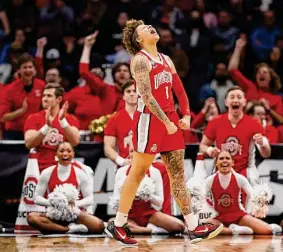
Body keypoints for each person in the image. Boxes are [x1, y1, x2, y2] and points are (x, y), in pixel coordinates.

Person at [105, 19, 223, 245]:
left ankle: (193, 227)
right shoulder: (140, 60)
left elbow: (179, 88)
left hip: (170, 121)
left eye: (149, 25)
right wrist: (166, 122)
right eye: (143, 29)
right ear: (139, 39)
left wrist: (186, 114)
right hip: (148, 121)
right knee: (138, 172)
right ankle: (118, 224)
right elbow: (147, 97)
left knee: (177, 174)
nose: (150, 27)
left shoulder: (166, 59)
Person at [104, 79, 172, 215]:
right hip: (126, 162)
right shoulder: (114, 119)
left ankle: (164, 214)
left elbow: (160, 142)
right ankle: (123, 216)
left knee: (163, 169)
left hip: (147, 160)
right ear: (123, 96)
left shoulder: (150, 116)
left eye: (135, 91)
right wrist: (121, 161)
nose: (131, 94)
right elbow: (108, 147)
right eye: (128, 91)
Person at [27, 141, 104, 234]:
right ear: (56, 153)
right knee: (31, 218)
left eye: (69, 151)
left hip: (74, 214)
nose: (65, 154)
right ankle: (69, 229)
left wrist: (75, 204)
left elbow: (90, 199)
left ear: (73, 154)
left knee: (99, 226)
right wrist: (53, 203)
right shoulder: (47, 172)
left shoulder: (80, 173)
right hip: (53, 214)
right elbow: (36, 198)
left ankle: (59, 228)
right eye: (61, 151)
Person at [199, 86, 271, 185]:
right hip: (220, 170)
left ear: (244, 102)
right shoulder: (215, 122)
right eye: (232, 97)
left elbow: (266, 154)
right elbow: (202, 146)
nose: (236, 100)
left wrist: (263, 144)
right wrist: (209, 150)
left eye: (239, 97)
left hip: (246, 172)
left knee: (253, 181)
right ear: (226, 102)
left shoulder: (254, 123)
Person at [205, 151, 274, 235]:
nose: (224, 161)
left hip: (239, 217)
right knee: (199, 226)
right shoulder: (210, 180)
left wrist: (261, 197)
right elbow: (200, 197)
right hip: (218, 218)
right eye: (221, 158)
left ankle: (228, 230)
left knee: (267, 230)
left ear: (232, 163)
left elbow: (253, 195)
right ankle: (234, 230)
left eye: (227, 158)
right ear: (216, 163)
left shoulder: (240, 178)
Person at [109, 161, 184, 234]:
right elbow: (115, 202)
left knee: (179, 226)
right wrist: (126, 195)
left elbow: (159, 203)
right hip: (129, 215)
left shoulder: (154, 171)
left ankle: (137, 229)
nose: (134, 154)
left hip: (149, 214)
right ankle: (149, 230)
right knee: (111, 224)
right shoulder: (122, 171)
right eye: (132, 151)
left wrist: (147, 195)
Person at [24, 83, 80, 171]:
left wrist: (62, 122)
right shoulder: (33, 118)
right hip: (39, 168)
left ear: (59, 99)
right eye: (43, 95)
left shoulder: (70, 119)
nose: (44, 99)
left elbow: (75, 141)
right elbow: (29, 143)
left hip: (63, 167)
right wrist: (46, 127)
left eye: (49, 96)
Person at [229, 38, 283, 124]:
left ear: (270, 78)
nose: (261, 74)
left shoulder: (277, 98)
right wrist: (238, 48)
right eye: (259, 72)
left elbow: (281, 120)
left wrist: (268, 109)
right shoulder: (250, 87)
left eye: (265, 72)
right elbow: (232, 70)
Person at [79, 32, 131, 115]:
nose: (122, 73)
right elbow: (84, 72)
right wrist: (87, 47)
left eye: (125, 71)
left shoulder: (137, 93)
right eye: (118, 71)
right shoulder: (106, 89)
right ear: (113, 75)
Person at [0, 53, 45, 140]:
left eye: (30, 67)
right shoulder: (9, 89)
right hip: (14, 133)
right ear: (19, 70)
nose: (28, 70)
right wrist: (21, 111)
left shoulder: (41, 85)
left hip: (35, 132)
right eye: (24, 67)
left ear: (34, 69)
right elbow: (2, 118)